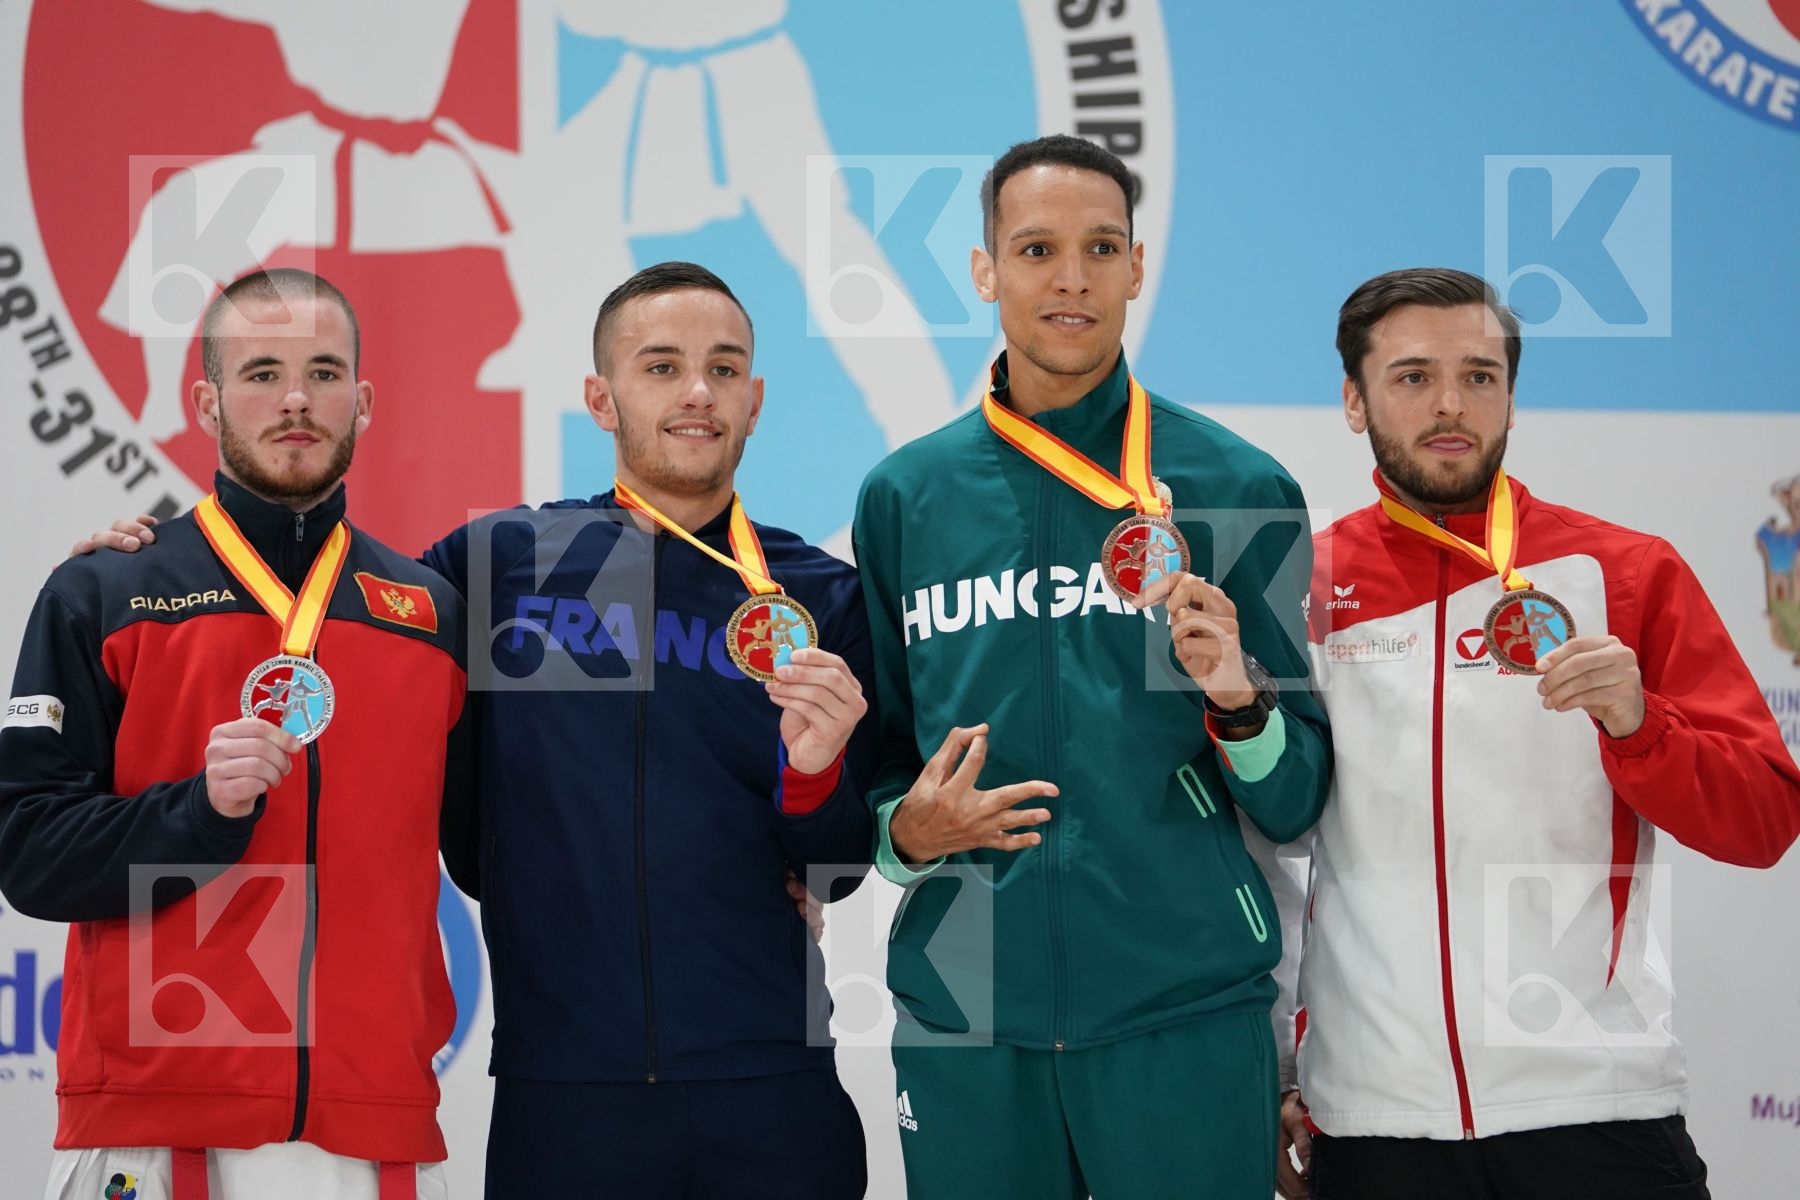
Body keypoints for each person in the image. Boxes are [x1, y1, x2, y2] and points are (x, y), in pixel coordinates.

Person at [79, 262, 876, 1197]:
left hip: (772, 1078)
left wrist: (815, 778)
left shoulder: (817, 594)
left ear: (756, 400)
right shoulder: (501, 562)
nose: (698, 392)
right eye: (661, 366)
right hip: (562, 1088)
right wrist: (141, 564)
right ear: (601, 399)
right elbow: (320, 613)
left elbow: (839, 867)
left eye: (725, 368)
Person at [852, 134, 1331, 1198]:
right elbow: (879, 768)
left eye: (1101, 248)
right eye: (1036, 250)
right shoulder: (906, 497)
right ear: (985, 270)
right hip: (966, 1005)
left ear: (1137, 267)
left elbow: (1298, 798)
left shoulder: (1235, 484)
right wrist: (907, 834)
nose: (1071, 278)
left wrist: (1241, 704)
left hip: (1181, 1008)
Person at [1283, 267, 1800, 1200]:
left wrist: (1640, 724)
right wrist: (1286, 1071)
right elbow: (1269, 852)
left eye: (1480, 376)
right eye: (1413, 376)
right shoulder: (1301, 587)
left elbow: (1763, 819)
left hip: (1595, 1106)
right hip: (1373, 1117)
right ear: (1353, 401)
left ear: (1512, 398)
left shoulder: (1624, 572)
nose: (1451, 404)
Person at [0, 268, 468, 1199]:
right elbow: (28, 853)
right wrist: (198, 815)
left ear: (363, 402)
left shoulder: (429, 615)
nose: (296, 400)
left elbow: (502, 844)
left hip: (374, 1128)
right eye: (262, 373)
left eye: (323, 373)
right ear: (206, 402)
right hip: (155, 1124)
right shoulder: (105, 591)